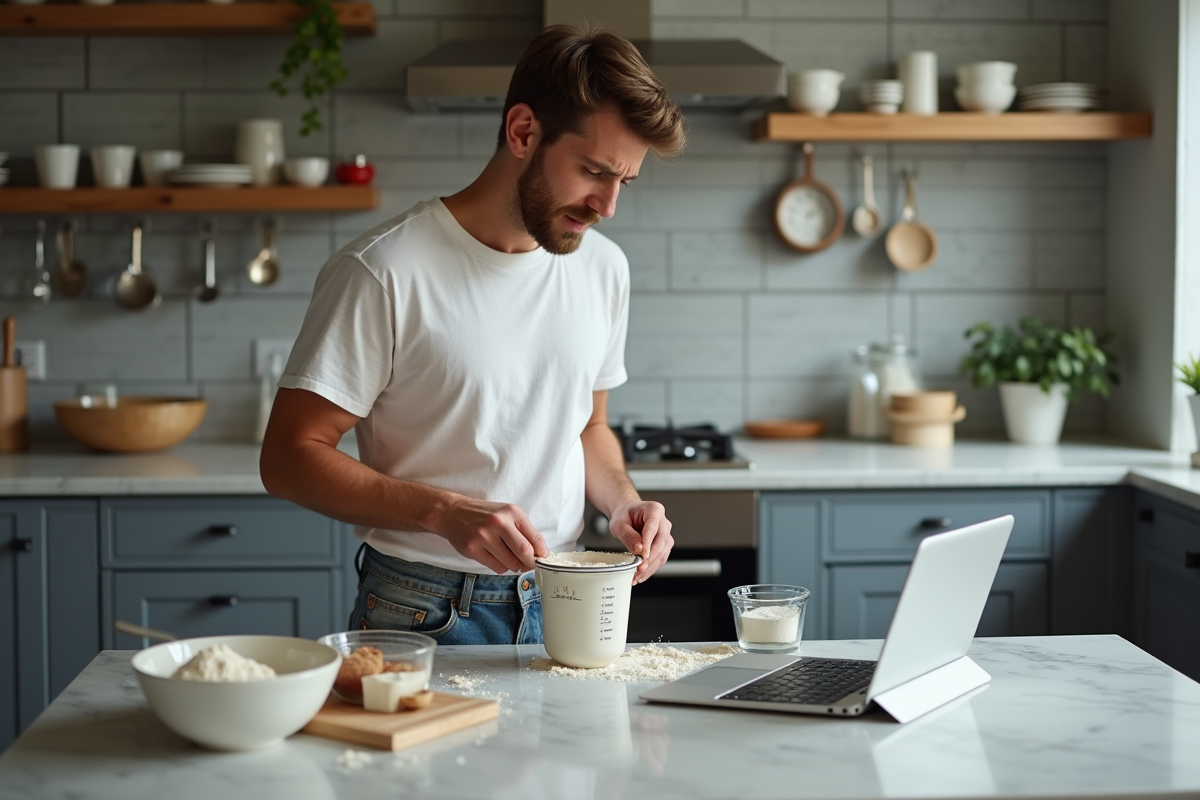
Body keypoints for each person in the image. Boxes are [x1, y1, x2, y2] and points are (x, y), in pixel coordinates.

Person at [259, 24, 688, 645]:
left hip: (565, 599)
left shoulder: (603, 268)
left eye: (625, 181)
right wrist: (441, 511)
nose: (608, 205)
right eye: (594, 171)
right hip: (421, 607)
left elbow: (588, 427)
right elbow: (288, 458)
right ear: (523, 131)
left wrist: (620, 502)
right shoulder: (383, 270)